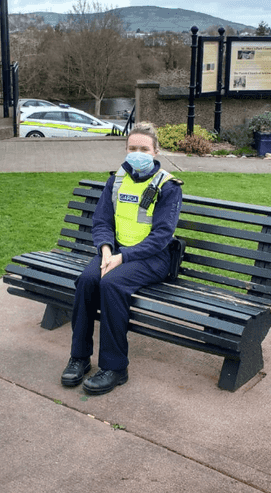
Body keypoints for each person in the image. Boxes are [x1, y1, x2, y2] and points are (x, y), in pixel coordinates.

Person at [61, 123, 183, 395]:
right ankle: (79, 358)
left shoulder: (168, 185)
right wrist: (106, 250)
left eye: (144, 148)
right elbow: (102, 221)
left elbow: (162, 236)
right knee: (87, 280)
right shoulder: (116, 180)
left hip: (153, 258)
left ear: (155, 151)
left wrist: (122, 257)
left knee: (111, 284)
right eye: (132, 148)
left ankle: (115, 368)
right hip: (115, 252)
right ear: (125, 149)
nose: (137, 153)